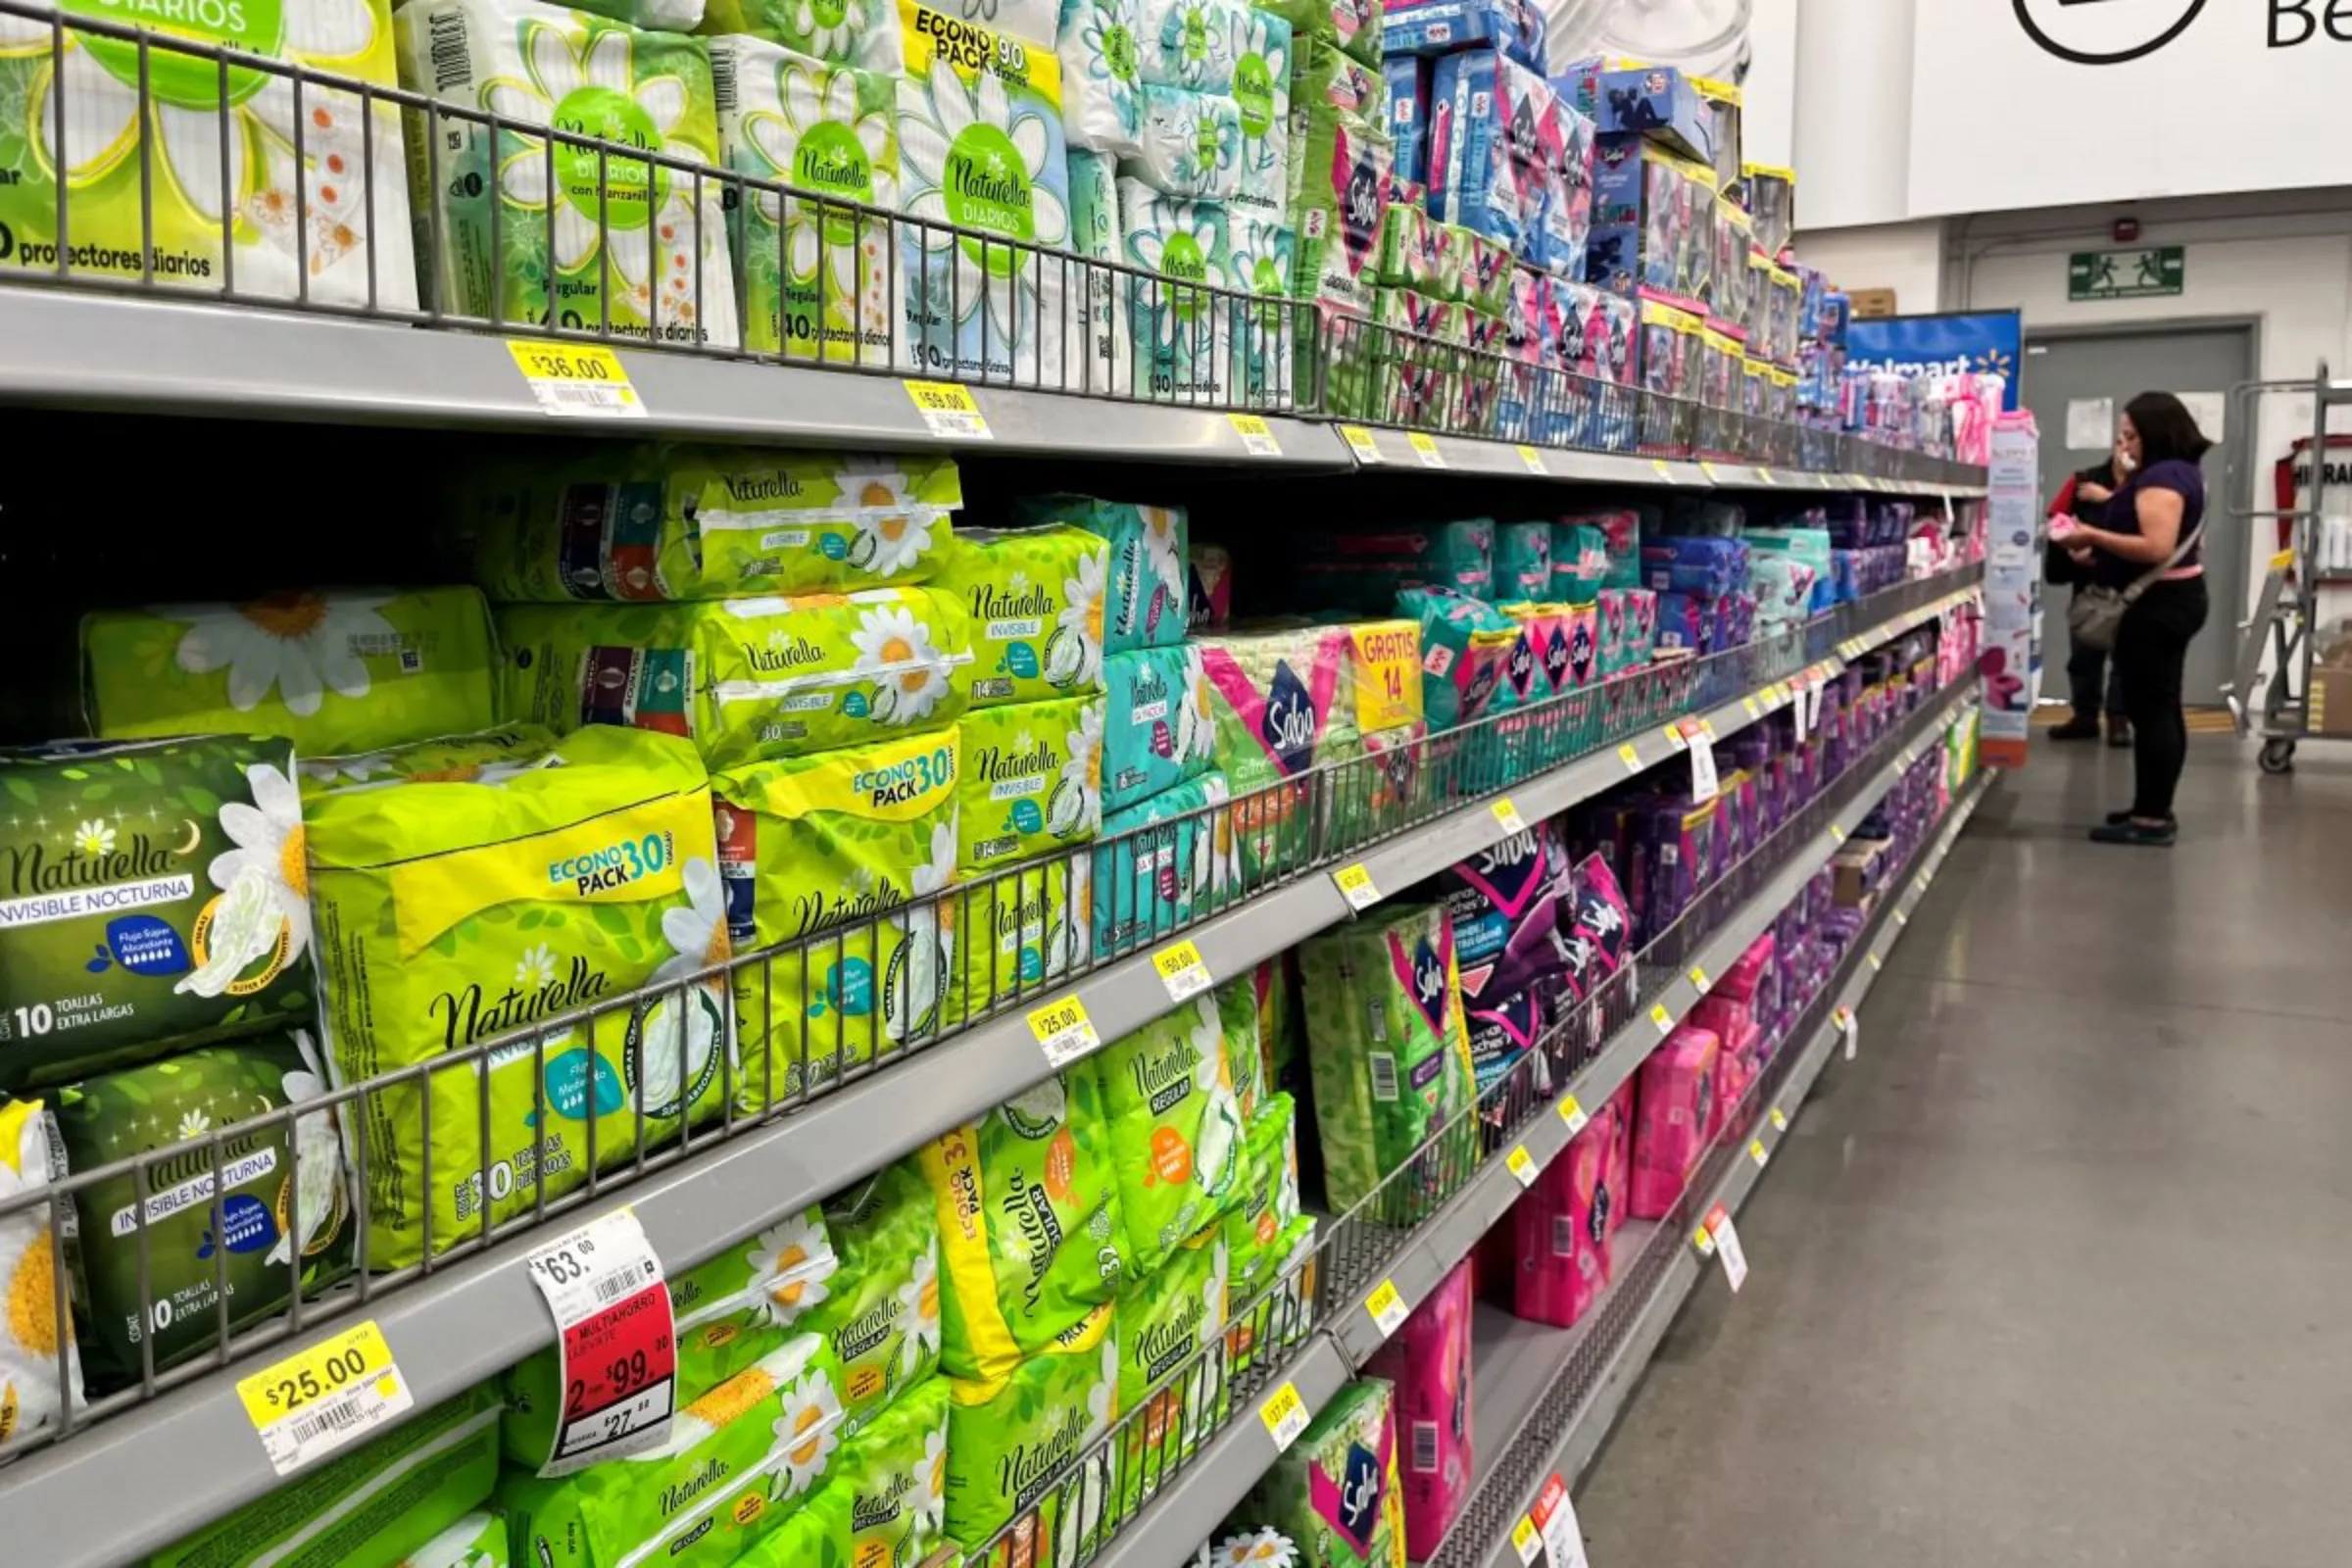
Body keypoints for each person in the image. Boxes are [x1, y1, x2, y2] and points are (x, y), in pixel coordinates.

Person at [2047, 393, 2214, 847]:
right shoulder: (2176, 472)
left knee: (2153, 709)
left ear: (2156, 433)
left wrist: (2092, 534)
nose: (2125, 445)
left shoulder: (2162, 478)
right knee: (2155, 706)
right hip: (2170, 598)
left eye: (2132, 435)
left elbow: (2156, 547)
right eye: (2122, 435)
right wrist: (2095, 553)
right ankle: (2150, 807)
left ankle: (2153, 821)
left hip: (2157, 605)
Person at [2044, 440, 2132, 746]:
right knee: (2084, 653)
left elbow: (2147, 521)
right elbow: (2055, 518)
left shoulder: (2149, 485)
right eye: (2120, 441)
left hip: (2132, 582)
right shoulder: (2083, 479)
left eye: (2131, 440)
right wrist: (2069, 550)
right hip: (2089, 581)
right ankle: (2084, 716)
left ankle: (2119, 719)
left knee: (2127, 657)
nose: (2125, 449)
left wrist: (2108, 498)